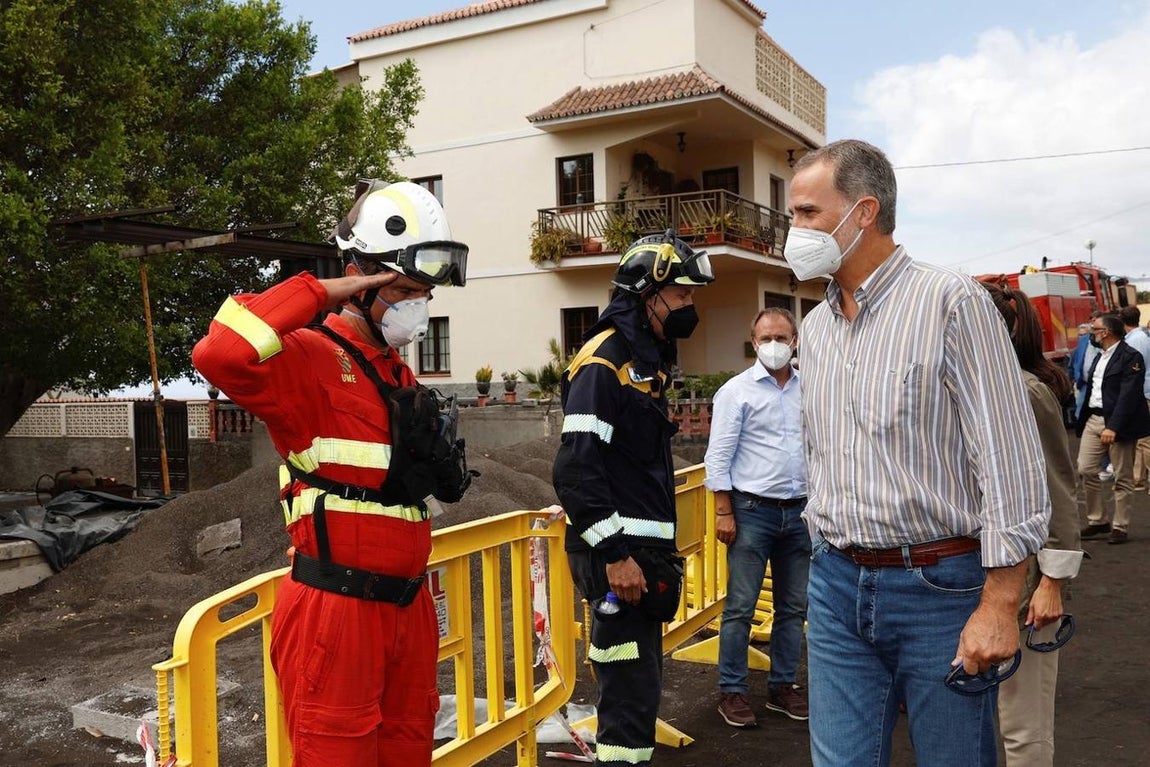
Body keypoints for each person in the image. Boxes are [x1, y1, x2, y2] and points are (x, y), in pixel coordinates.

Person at [786, 139, 1050, 767]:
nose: (793, 232)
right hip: (836, 587)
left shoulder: (950, 301)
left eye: (807, 213)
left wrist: (1000, 603)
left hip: (941, 590)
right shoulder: (816, 329)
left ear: (864, 212)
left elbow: (1008, 459)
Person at [192, 180, 471, 767]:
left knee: (410, 750)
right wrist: (320, 290)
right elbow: (219, 354)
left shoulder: (395, 373)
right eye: (402, 289)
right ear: (360, 277)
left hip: (408, 609)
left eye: (424, 293)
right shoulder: (306, 355)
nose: (416, 306)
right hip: (336, 611)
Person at [553, 231, 714, 766]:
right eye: (684, 296)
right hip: (617, 560)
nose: (691, 307)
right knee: (626, 695)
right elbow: (576, 468)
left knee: (638, 691)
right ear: (649, 295)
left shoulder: (646, 362)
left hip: (639, 558)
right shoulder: (604, 362)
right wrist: (616, 555)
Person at [980, 282, 1084, 766]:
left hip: (1025, 585)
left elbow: (1059, 489)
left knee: (1022, 726)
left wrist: (1053, 582)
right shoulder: (971, 389)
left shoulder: (1025, 392)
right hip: (972, 578)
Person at [705, 307, 810, 727]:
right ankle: (732, 691)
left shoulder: (809, 387)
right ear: (753, 341)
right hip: (752, 513)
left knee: (792, 607)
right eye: (765, 338)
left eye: (781, 338)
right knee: (741, 607)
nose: (773, 345)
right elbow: (719, 456)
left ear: (795, 341)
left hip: (801, 512)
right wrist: (723, 510)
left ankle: (782, 686)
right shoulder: (736, 391)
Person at [1076, 313, 1150, 544]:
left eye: (1094, 329)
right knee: (1085, 469)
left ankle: (1120, 526)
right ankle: (1098, 520)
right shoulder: (1101, 356)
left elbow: (1129, 395)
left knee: (1122, 476)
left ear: (1105, 332)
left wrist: (1114, 426)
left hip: (1117, 424)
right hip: (1094, 420)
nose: (1091, 333)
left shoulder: (1131, 357)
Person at [1118, 306, 1150, 490]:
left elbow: (1134, 371)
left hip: (1142, 393)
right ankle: (1138, 479)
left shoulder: (1135, 341)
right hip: (1145, 391)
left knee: (1145, 441)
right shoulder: (1142, 336)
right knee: (1141, 441)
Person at [1069, 320, 1099, 420]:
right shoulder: (1080, 346)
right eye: (1080, 335)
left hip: (1097, 384)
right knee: (1080, 409)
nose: (1081, 337)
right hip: (1084, 384)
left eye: (1084, 334)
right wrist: (1076, 378)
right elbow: (1076, 363)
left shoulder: (1098, 344)